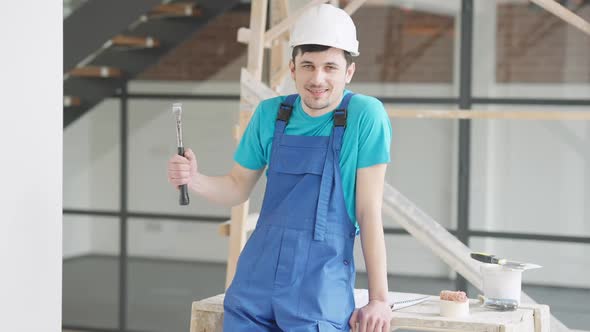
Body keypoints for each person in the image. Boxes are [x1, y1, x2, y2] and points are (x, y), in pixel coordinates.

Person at [168, 4, 393, 332]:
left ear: (348, 72)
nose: (318, 78)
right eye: (308, 66)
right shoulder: (270, 114)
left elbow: (368, 211)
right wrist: (194, 179)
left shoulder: (365, 116)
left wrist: (379, 299)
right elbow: (237, 186)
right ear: (292, 68)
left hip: (319, 287)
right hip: (255, 283)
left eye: (330, 67)